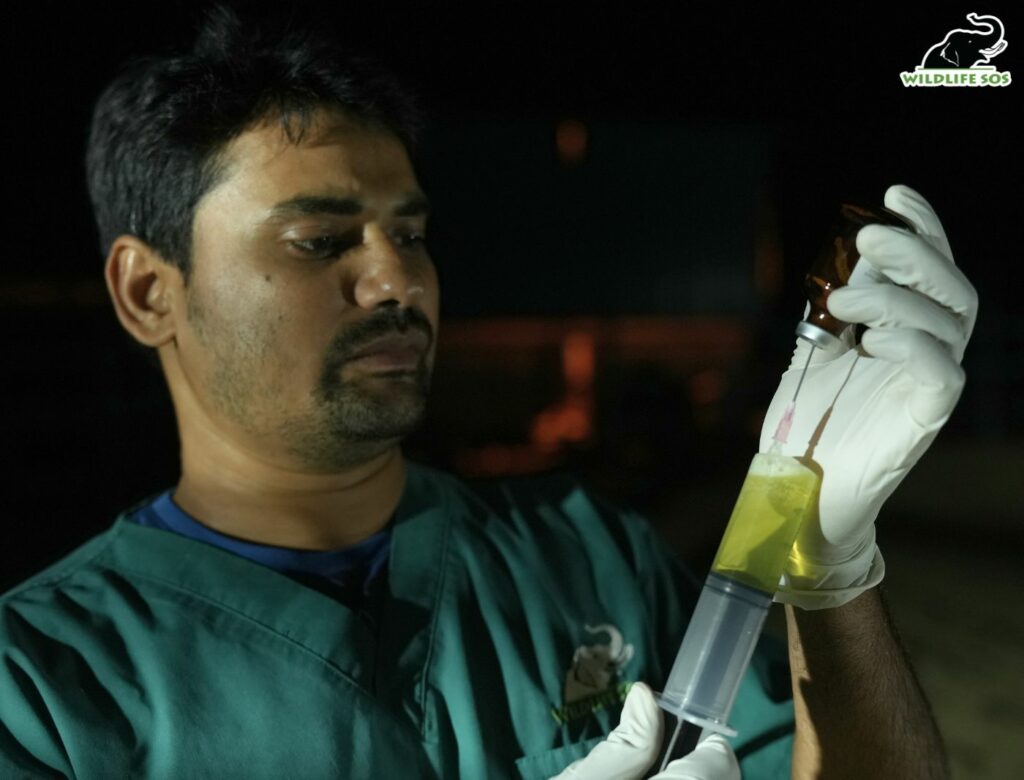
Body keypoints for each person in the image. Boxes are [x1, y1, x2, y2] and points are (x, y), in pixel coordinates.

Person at [0, 7, 976, 779]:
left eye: (410, 234)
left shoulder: (590, 558)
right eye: (319, 240)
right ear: (149, 291)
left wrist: (826, 571)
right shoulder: (40, 689)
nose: (398, 279)